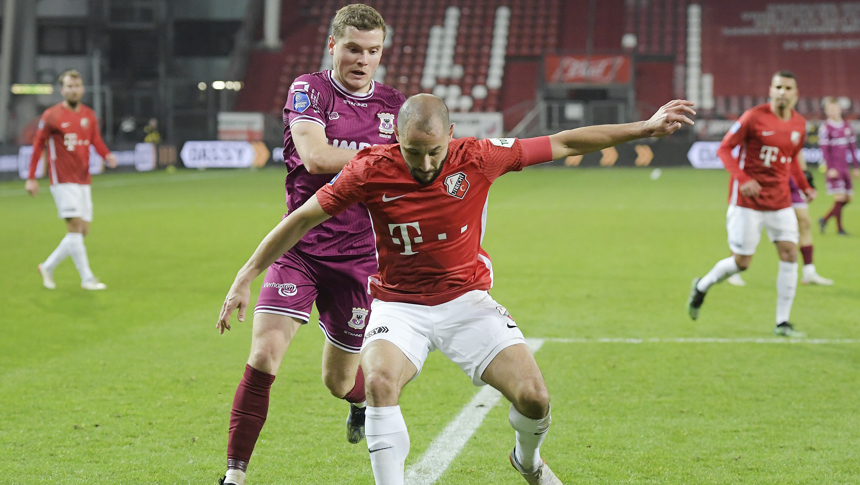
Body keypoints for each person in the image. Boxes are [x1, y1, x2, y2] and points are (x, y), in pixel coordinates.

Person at [217, 94, 695, 484]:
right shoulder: (369, 168)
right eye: (412, 151)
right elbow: (302, 218)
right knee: (379, 383)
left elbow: (565, 141)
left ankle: (527, 462)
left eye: (433, 151)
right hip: (398, 305)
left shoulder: (480, 156)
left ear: (450, 136)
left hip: (467, 303)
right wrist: (246, 274)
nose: (424, 163)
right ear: (395, 140)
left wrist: (644, 128)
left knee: (535, 398)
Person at [215, 5, 405, 485]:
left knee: (339, 381)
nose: (363, 60)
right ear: (333, 46)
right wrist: (381, 156)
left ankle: (358, 403)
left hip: (361, 259)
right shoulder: (309, 90)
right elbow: (317, 157)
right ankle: (234, 477)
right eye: (354, 49)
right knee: (263, 356)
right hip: (299, 248)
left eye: (373, 51)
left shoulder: (393, 104)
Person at [688, 71, 815, 338]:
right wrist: (743, 178)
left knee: (790, 253)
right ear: (770, 90)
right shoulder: (753, 117)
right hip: (747, 201)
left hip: (779, 201)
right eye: (778, 86)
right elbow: (724, 149)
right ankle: (702, 285)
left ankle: (782, 322)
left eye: (787, 87)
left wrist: (804, 188)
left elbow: (791, 160)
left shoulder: (800, 125)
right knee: (742, 262)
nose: (782, 92)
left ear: (796, 93)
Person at [25, 69, 117, 291]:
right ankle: (87, 278)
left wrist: (106, 155)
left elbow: (95, 140)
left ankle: (47, 266)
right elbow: (38, 146)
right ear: (62, 89)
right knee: (75, 227)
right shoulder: (51, 116)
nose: (73, 90)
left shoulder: (88, 115)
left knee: (82, 231)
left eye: (76, 86)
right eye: (69, 86)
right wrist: (31, 177)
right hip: (63, 179)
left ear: (82, 89)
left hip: (83, 179)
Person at [727, 151, 833, 286]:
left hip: (791, 177)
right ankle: (733, 268)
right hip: (770, 178)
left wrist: (804, 173)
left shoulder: (796, 130)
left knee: (804, 221)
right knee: (747, 227)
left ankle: (809, 271)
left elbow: (795, 150)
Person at [818, 97, 859, 235]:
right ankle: (839, 229)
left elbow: (853, 148)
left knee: (848, 199)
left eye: (835, 108)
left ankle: (824, 219)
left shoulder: (847, 127)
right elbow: (825, 150)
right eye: (830, 109)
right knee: (840, 198)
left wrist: (856, 167)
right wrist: (830, 168)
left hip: (845, 167)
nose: (833, 111)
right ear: (826, 111)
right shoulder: (826, 128)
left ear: (840, 109)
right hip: (834, 168)